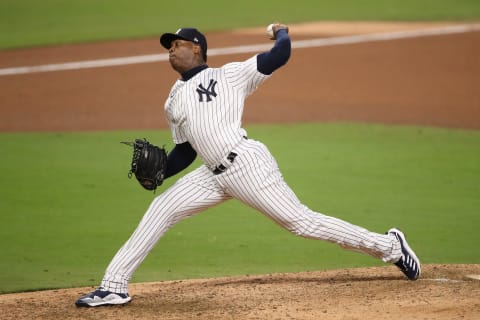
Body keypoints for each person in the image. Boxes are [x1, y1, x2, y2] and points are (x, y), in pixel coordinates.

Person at [75, 23, 421, 307]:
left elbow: (279, 55)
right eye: (169, 46)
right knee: (161, 208)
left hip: (246, 165)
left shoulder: (230, 75)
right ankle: (114, 285)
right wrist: (162, 172)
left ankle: (390, 247)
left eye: (177, 44)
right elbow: (185, 151)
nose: (171, 50)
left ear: (196, 48)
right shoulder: (173, 99)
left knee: (301, 222)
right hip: (211, 174)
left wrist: (281, 32)